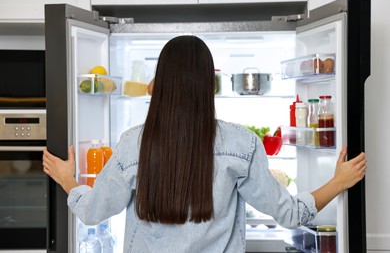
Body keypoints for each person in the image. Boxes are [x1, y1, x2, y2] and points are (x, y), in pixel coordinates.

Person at [43, 35, 367, 252]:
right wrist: (338, 182)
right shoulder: (242, 144)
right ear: (207, 85)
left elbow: (94, 211)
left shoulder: (133, 144)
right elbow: (289, 214)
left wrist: (67, 179)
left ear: (161, 84)